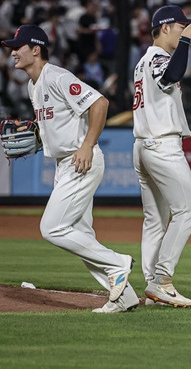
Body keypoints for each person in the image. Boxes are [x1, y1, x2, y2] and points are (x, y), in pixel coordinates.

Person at [2, 25, 137, 313]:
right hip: (66, 164)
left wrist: (87, 144)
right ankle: (124, 296)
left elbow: (100, 103)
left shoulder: (57, 76)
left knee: (51, 228)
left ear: (35, 49)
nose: (13, 51)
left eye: (18, 46)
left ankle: (118, 263)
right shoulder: (32, 85)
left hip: (81, 161)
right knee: (81, 235)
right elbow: (56, 123)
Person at [133, 5, 191, 308]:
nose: (184, 30)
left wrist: (184, 39)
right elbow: (170, 75)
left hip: (143, 145)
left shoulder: (141, 61)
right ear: (165, 27)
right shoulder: (159, 57)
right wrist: (186, 41)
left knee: (155, 220)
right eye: (180, 27)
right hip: (161, 145)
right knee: (187, 213)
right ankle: (162, 280)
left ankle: (152, 287)